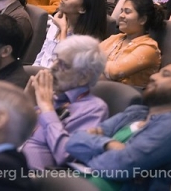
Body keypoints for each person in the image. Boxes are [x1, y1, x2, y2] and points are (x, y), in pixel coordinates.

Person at [66, 63, 171, 191]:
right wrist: (109, 144)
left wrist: (91, 149)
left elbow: (120, 166)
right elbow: (73, 142)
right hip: (80, 179)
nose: (153, 76)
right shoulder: (135, 113)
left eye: (165, 74)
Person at [22, 35, 109, 170]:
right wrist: (26, 101)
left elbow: (66, 154)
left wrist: (47, 109)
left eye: (63, 65)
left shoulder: (94, 108)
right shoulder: (51, 95)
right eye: (56, 59)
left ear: (84, 77)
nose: (52, 67)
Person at [34, 0, 107, 67]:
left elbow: (63, 67)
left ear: (82, 9)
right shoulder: (56, 23)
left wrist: (63, 29)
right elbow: (40, 58)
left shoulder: (87, 44)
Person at [100, 0, 163, 87]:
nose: (121, 15)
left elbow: (115, 72)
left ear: (142, 19)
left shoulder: (149, 48)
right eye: (121, 11)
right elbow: (87, 54)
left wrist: (93, 62)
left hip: (124, 96)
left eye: (127, 12)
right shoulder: (116, 38)